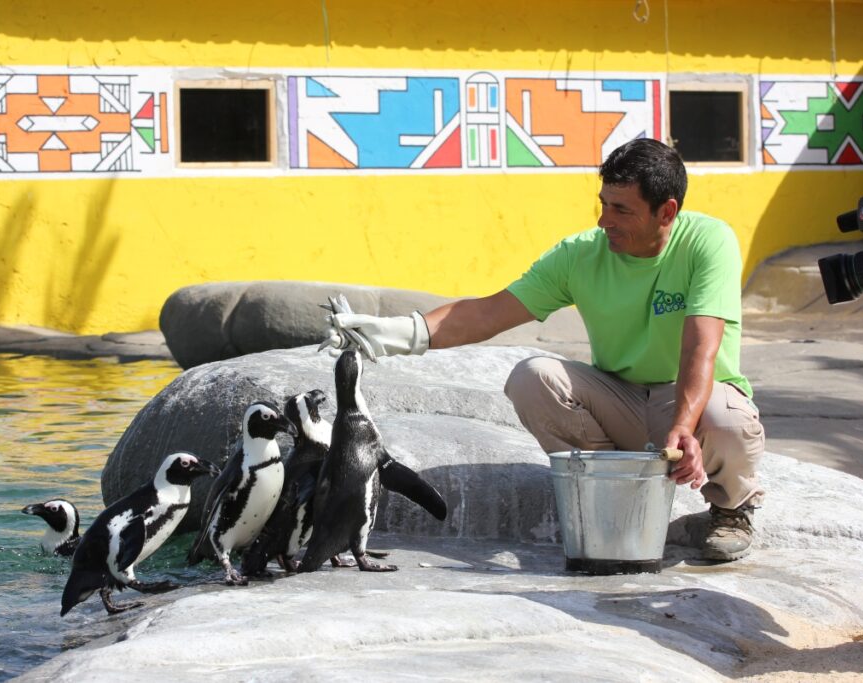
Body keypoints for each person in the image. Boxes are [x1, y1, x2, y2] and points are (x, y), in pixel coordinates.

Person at [320, 138, 766, 562]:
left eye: (621, 209)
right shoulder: (580, 255)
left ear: (666, 212)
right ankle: (615, 498)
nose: (603, 220)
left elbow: (700, 349)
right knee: (533, 378)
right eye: (603, 203)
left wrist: (684, 428)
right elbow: (489, 312)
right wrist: (392, 333)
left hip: (691, 404)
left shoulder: (709, 241)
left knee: (727, 420)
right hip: (623, 399)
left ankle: (731, 511)